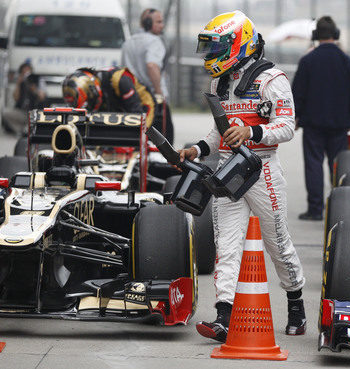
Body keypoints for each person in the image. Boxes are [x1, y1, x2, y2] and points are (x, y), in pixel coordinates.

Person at [178, 10, 306, 343]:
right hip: (226, 170)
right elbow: (216, 132)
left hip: (262, 169)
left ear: (239, 43)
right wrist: (197, 149)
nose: (210, 54)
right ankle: (223, 316)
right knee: (227, 245)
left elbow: (287, 127)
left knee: (277, 242)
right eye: (208, 46)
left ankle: (296, 305)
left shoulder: (272, 79)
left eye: (216, 46)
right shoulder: (218, 82)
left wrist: (251, 131)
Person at [292, 16, 350, 221]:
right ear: (336, 34)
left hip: (313, 125)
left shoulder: (307, 60)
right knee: (337, 167)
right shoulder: (346, 60)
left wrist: (296, 117)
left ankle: (315, 210)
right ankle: (339, 210)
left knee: (313, 165)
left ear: (316, 36)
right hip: (340, 126)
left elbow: (298, 93)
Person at [121, 8, 174, 143]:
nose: (162, 25)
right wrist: (159, 93)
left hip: (131, 97)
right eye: (159, 22)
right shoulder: (154, 41)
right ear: (149, 23)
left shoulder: (129, 42)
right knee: (164, 142)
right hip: (151, 99)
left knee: (136, 138)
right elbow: (152, 65)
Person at [62, 67, 156, 128]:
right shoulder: (94, 85)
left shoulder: (119, 80)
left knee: (140, 127)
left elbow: (136, 113)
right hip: (116, 104)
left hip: (143, 103)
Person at [3, 61, 47, 135]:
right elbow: (16, 98)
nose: (26, 73)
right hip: (23, 112)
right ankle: (21, 130)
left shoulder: (37, 80)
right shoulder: (21, 82)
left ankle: (26, 129)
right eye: (24, 72)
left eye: (27, 71)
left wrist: (34, 90)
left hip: (35, 112)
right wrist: (18, 84)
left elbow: (42, 97)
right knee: (5, 113)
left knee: (33, 124)